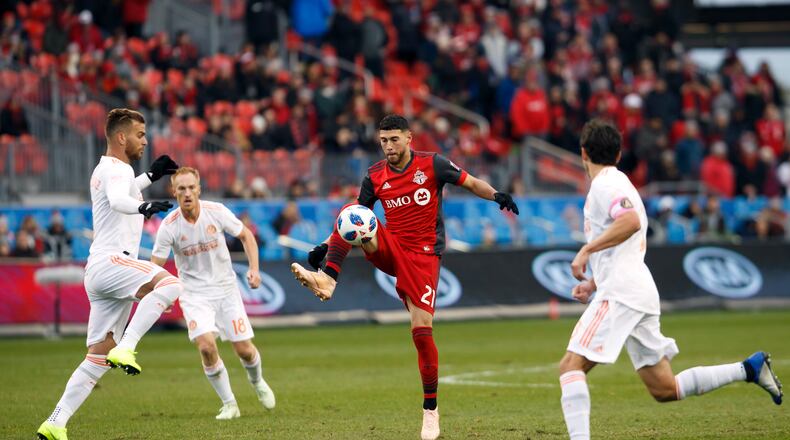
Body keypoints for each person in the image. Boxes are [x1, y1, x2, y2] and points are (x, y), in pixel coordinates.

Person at [290, 115, 519, 440]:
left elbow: (469, 182)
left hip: (425, 257)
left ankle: (430, 411)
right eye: (383, 140)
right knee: (351, 210)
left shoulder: (433, 164)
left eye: (394, 139)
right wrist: (326, 247)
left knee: (421, 330)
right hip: (391, 248)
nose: (388, 146)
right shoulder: (375, 175)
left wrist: (497, 195)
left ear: (409, 138)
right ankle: (328, 278)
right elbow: (358, 215)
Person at [559, 119, 783, 440]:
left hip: (622, 292)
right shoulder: (620, 182)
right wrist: (594, 281)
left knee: (571, 367)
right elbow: (624, 238)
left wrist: (586, 250)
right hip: (636, 288)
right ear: (619, 154)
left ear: (582, 153)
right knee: (664, 388)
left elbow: (631, 222)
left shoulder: (606, 184)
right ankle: (749, 368)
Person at [37, 109, 181, 440]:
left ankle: (55, 422)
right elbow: (119, 199)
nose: (145, 140)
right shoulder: (116, 170)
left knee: (97, 356)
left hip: (101, 271)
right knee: (171, 283)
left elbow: (124, 189)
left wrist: (151, 175)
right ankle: (127, 347)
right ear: (121, 137)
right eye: (140, 134)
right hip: (113, 261)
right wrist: (143, 207)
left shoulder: (109, 169)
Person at [151, 167, 276, 420]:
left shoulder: (216, 212)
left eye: (191, 188)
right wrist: (159, 292)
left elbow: (246, 235)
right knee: (207, 347)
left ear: (199, 189)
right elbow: (155, 264)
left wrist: (254, 269)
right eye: (181, 189)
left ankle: (258, 381)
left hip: (226, 290)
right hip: (194, 294)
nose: (187, 193)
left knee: (244, 350)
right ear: (173, 192)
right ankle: (230, 404)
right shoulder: (169, 226)